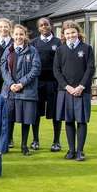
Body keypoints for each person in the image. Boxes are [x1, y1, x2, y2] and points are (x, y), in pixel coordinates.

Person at [53, 21, 94, 161]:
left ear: (78, 33)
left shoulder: (87, 48)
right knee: (69, 120)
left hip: (82, 91)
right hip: (65, 91)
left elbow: (90, 69)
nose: (70, 35)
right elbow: (56, 71)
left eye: (73, 32)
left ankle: (80, 151)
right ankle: (71, 150)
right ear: (63, 35)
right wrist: (68, 87)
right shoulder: (60, 50)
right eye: (67, 33)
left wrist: (81, 86)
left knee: (81, 121)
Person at [0, 24, 41, 155]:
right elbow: (3, 68)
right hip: (9, 91)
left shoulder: (32, 50)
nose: (18, 37)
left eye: (21, 34)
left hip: (27, 92)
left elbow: (36, 69)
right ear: (12, 35)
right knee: (9, 118)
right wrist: (11, 84)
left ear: (25, 35)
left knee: (26, 120)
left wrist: (21, 84)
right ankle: (6, 143)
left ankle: (24, 145)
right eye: (16, 34)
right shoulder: (8, 50)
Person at [31, 17, 63, 152]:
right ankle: (35, 140)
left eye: (47, 24)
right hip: (38, 83)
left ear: (51, 26)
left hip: (53, 83)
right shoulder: (33, 43)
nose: (44, 27)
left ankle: (56, 141)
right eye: (41, 25)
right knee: (36, 113)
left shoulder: (59, 43)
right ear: (38, 28)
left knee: (56, 113)